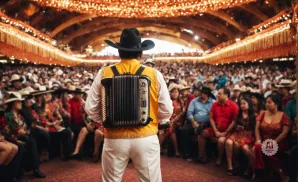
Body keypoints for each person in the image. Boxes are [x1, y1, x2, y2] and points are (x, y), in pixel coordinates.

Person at [85, 28, 173, 182]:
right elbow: (167, 110)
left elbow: (90, 108)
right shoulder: (154, 74)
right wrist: (153, 118)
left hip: (114, 138)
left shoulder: (104, 73)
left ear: (119, 52)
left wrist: (106, 119)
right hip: (146, 137)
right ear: (140, 54)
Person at [2, 92, 46, 178]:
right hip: (10, 137)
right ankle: (32, 169)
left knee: (32, 140)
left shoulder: (19, 115)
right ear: (13, 104)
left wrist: (25, 131)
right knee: (28, 142)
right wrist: (24, 131)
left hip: (20, 136)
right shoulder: (8, 115)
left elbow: (24, 128)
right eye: (19, 102)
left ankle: (35, 168)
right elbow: (17, 130)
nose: (21, 103)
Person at [253, 95, 291, 182]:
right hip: (264, 141)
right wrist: (258, 140)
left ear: (276, 104)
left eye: (269, 102)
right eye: (266, 102)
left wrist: (273, 142)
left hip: (278, 142)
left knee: (267, 149)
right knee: (258, 146)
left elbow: (284, 133)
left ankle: (282, 175)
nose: (267, 104)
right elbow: (257, 129)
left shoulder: (283, 116)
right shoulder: (262, 114)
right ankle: (261, 171)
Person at [202, 87, 238, 166]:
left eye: (219, 94)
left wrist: (225, 132)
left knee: (221, 141)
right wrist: (215, 131)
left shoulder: (234, 105)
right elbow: (211, 118)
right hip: (216, 129)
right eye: (218, 93)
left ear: (226, 95)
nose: (217, 95)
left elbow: (234, 121)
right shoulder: (215, 104)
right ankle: (202, 156)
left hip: (228, 131)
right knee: (203, 133)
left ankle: (220, 157)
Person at [226, 97, 255, 176]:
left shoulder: (253, 115)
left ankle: (238, 164)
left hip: (248, 135)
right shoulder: (239, 114)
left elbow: (254, 128)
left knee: (237, 144)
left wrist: (246, 130)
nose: (242, 105)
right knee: (229, 142)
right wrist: (237, 127)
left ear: (249, 104)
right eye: (241, 104)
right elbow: (235, 125)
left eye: (244, 103)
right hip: (238, 133)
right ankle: (230, 166)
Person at [186, 86, 215, 163]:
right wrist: (193, 122)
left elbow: (214, 115)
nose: (202, 95)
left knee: (200, 131)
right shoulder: (194, 101)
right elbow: (189, 112)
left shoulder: (213, 102)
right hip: (194, 122)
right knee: (185, 130)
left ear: (208, 95)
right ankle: (190, 154)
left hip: (207, 123)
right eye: (201, 93)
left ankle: (201, 155)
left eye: (204, 94)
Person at [159, 84, 184, 157]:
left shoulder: (181, 102)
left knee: (167, 128)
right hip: (168, 121)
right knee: (167, 129)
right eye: (173, 92)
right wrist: (169, 121)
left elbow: (182, 114)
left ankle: (159, 148)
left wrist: (174, 121)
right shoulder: (168, 102)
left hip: (177, 122)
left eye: (176, 92)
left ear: (179, 93)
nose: (174, 94)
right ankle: (176, 151)